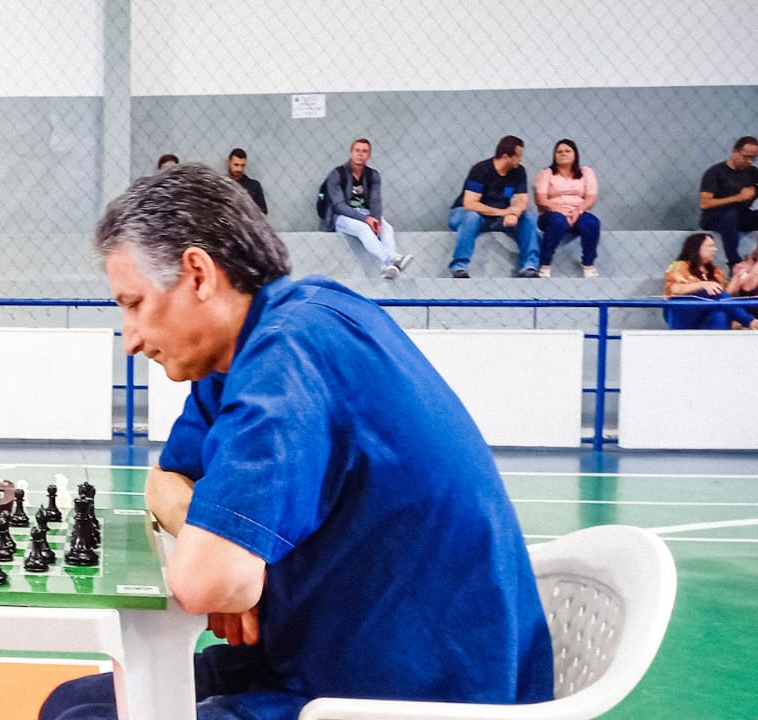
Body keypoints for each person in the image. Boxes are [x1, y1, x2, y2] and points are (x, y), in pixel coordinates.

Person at [40, 164, 553, 720]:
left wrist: (224, 562)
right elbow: (163, 482)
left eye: (134, 303)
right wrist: (213, 540)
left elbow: (203, 581)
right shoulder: (251, 346)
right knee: (72, 702)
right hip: (318, 660)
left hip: (411, 695)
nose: (132, 340)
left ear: (198, 274)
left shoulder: (289, 355)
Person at [447, 135, 540, 278]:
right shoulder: (481, 169)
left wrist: (514, 213)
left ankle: (529, 266)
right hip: (465, 214)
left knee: (528, 217)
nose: (521, 159)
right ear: (506, 156)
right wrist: (504, 212)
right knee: (471, 217)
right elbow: (470, 204)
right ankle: (459, 267)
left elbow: (522, 200)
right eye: (518, 156)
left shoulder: (519, 171)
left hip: (497, 217)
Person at [319, 139, 412, 279]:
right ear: (351, 153)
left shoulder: (372, 175)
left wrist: (376, 219)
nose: (360, 154)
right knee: (364, 228)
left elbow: (375, 201)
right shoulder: (337, 174)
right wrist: (366, 219)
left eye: (364, 151)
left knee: (387, 228)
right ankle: (391, 259)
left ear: (369, 155)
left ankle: (387, 269)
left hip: (366, 214)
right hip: (341, 217)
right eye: (357, 150)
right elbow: (339, 206)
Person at [662, 232, 758, 330]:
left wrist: (736, 277)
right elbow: (674, 289)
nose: (715, 249)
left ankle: (721, 339)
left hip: (705, 316)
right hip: (682, 311)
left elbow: (724, 297)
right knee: (711, 292)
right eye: (710, 246)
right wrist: (703, 285)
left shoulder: (716, 271)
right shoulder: (679, 265)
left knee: (720, 313)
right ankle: (750, 321)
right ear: (697, 248)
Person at [534, 139, 601, 278]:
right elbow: (540, 199)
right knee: (557, 221)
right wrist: (559, 209)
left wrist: (578, 210)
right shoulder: (546, 173)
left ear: (575, 154)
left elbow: (591, 197)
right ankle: (545, 264)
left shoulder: (586, 172)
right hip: (551, 214)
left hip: (578, 212)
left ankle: (588, 264)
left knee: (592, 223)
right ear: (554, 155)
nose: (563, 153)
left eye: (567, 151)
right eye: (559, 152)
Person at [697, 136, 758, 270]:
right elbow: (704, 203)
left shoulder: (752, 172)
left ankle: (755, 259)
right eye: (746, 157)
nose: (749, 161)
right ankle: (734, 264)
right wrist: (737, 197)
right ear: (734, 151)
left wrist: (755, 190)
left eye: (754, 158)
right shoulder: (715, 172)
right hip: (715, 216)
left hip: (742, 216)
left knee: (739, 215)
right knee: (730, 215)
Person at [224, 148, 267, 214]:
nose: (239, 169)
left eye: (242, 165)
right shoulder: (221, 184)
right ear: (228, 163)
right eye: (236, 165)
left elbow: (263, 212)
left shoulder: (254, 186)